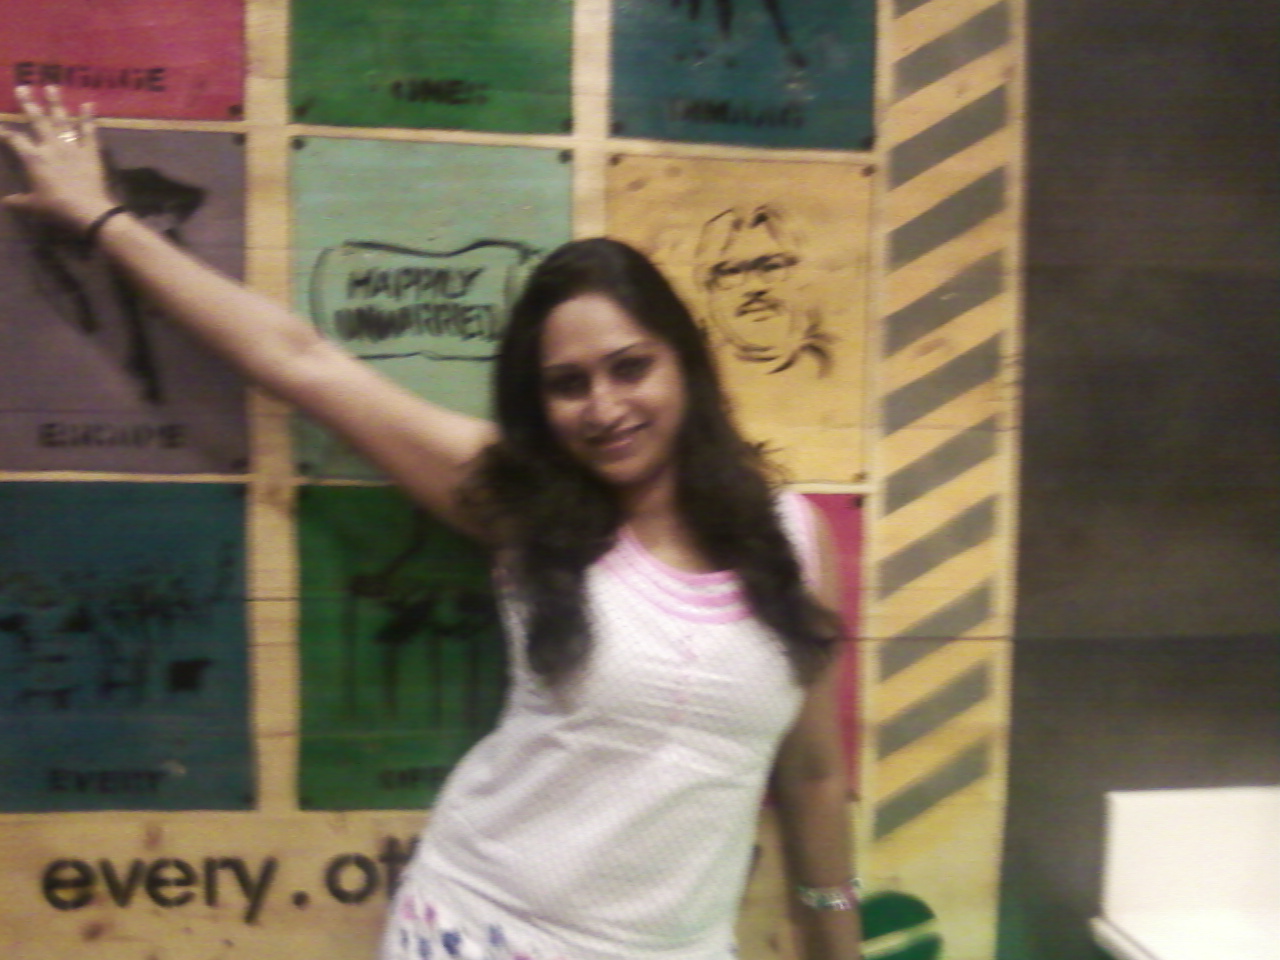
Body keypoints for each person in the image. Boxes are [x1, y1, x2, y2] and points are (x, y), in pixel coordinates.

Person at [2, 86, 861, 960]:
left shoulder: (791, 540)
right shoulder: (524, 500)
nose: (604, 407)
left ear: (686, 364)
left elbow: (814, 778)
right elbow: (300, 361)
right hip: (484, 932)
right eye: (568, 385)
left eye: (630, 368)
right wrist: (100, 218)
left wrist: (838, 944)